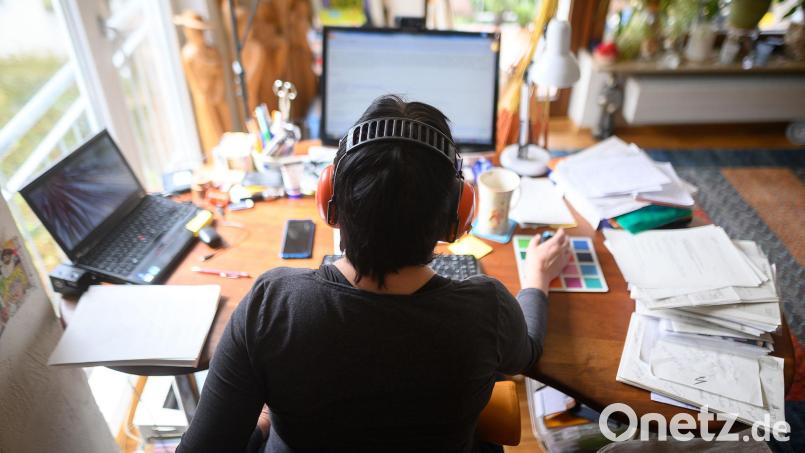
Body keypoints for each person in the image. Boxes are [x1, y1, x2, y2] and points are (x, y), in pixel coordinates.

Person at [176, 95, 570, 453]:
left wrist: (262, 425)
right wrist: (535, 280)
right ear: (456, 218)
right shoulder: (487, 310)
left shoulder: (272, 306)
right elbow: (528, 353)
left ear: (330, 199)